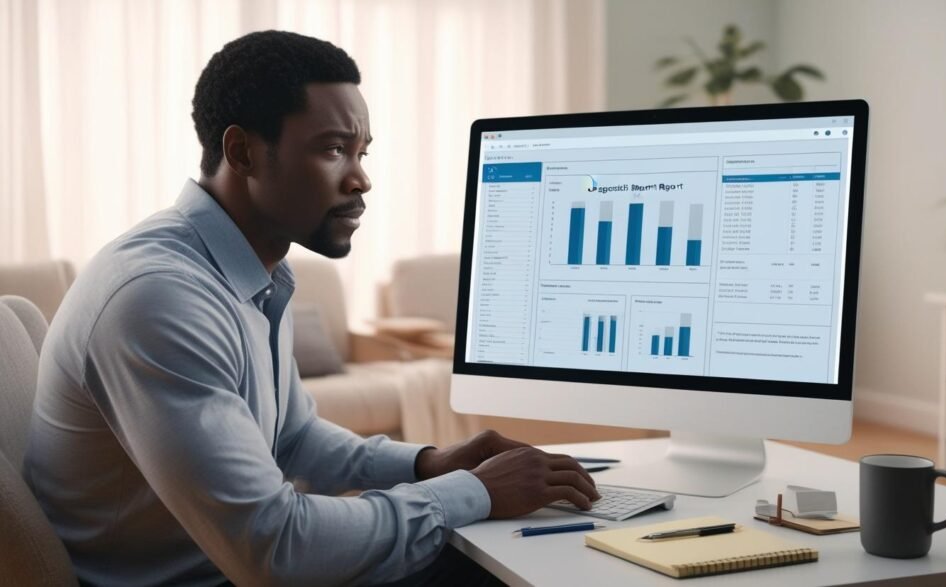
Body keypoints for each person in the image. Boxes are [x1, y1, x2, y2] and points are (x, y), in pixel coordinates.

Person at [24, 30, 599, 586]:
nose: (361, 179)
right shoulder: (160, 298)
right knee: (522, 565)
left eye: (362, 151)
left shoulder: (255, 272)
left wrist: (431, 464)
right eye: (332, 149)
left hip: (226, 565)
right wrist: (477, 492)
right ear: (243, 152)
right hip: (216, 576)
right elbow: (274, 551)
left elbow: (292, 438)